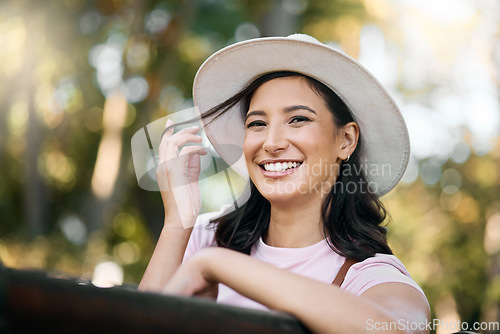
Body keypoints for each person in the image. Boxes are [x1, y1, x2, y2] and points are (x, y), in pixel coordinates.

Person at [138, 34, 430, 333]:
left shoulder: (369, 274)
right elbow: (134, 326)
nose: (272, 142)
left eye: (298, 119)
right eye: (257, 124)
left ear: (346, 140)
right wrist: (177, 224)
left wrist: (215, 265)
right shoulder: (203, 239)